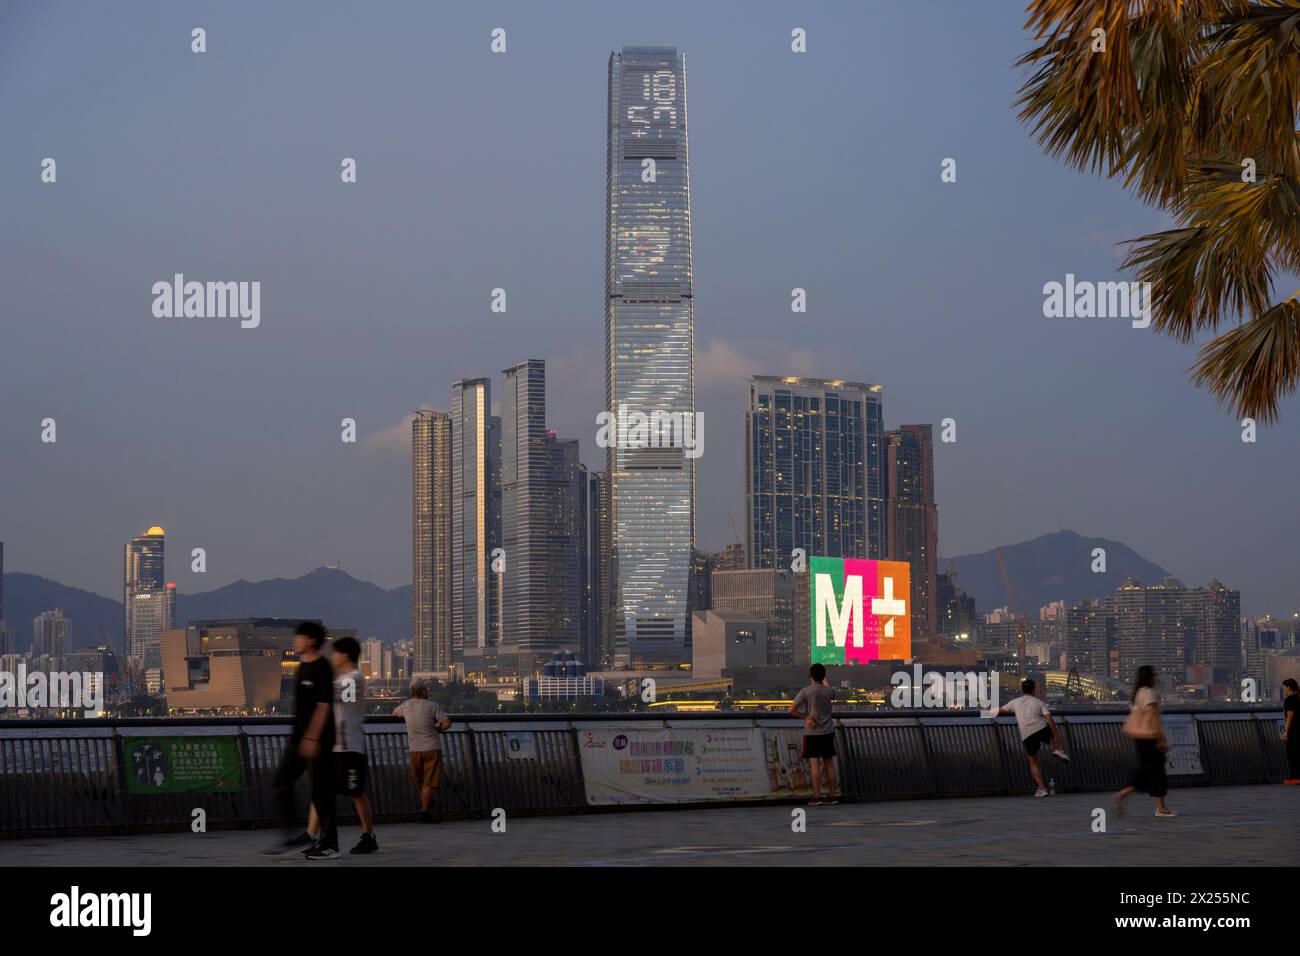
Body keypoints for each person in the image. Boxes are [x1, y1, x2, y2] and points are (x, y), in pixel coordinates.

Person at [266, 622, 339, 855]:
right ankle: (298, 832)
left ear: (311, 640)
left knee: (320, 792)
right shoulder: (301, 667)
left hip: (319, 741)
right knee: (281, 780)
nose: (295, 641)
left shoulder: (322, 667)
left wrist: (312, 738)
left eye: (299, 637)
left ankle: (330, 844)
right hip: (299, 739)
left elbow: (324, 705)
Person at [313, 636, 377, 856]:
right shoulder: (343, 678)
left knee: (356, 793)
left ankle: (368, 836)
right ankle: (315, 836)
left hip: (350, 747)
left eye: (336, 653)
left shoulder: (354, 678)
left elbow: (341, 697)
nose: (333, 657)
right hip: (337, 747)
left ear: (346, 655)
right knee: (323, 791)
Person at [1113, 665, 1177, 818]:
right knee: (1157, 772)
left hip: (1139, 738)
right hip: (1150, 737)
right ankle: (1160, 808)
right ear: (1149, 677)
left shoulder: (1138, 693)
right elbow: (1152, 716)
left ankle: (1125, 794)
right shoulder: (1149, 693)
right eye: (1154, 675)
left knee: (1147, 771)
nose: (1156, 677)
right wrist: (1161, 737)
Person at [995, 678, 1070, 797]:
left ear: (1022, 689)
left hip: (1027, 734)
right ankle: (1057, 750)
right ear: (1034, 689)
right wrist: (1056, 736)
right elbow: (1049, 719)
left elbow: (999, 711)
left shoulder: (1015, 702)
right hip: (1040, 727)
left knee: (1033, 762)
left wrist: (983, 713)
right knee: (1051, 737)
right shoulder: (1039, 702)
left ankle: (1042, 789)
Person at [393, 678, 452, 822]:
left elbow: (394, 713)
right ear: (424, 691)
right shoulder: (432, 706)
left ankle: (426, 810)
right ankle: (428, 809)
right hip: (431, 747)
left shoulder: (406, 706)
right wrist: (438, 728)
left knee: (420, 782)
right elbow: (447, 723)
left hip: (414, 749)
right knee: (428, 783)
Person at [789, 663, 837, 805]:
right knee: (829, 764)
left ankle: (817, 797)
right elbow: (828, 687)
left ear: (810, 676)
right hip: (828, 731)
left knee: (814, 764)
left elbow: (791, 710)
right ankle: (832, 796)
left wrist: (806, 717)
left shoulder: (805, 691)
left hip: (812, 733)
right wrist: (823, 678)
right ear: (823, 676)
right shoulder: (830, 691)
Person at [1283, 678, 1300, 785]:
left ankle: (1295, 777)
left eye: (1284, 687)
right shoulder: (1299, 697)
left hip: (1294, 730)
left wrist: (1286, 731)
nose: (1284, 690)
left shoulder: (1289, 699)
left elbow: (1290, 716)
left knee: (1292, 754)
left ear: (1288, 687)